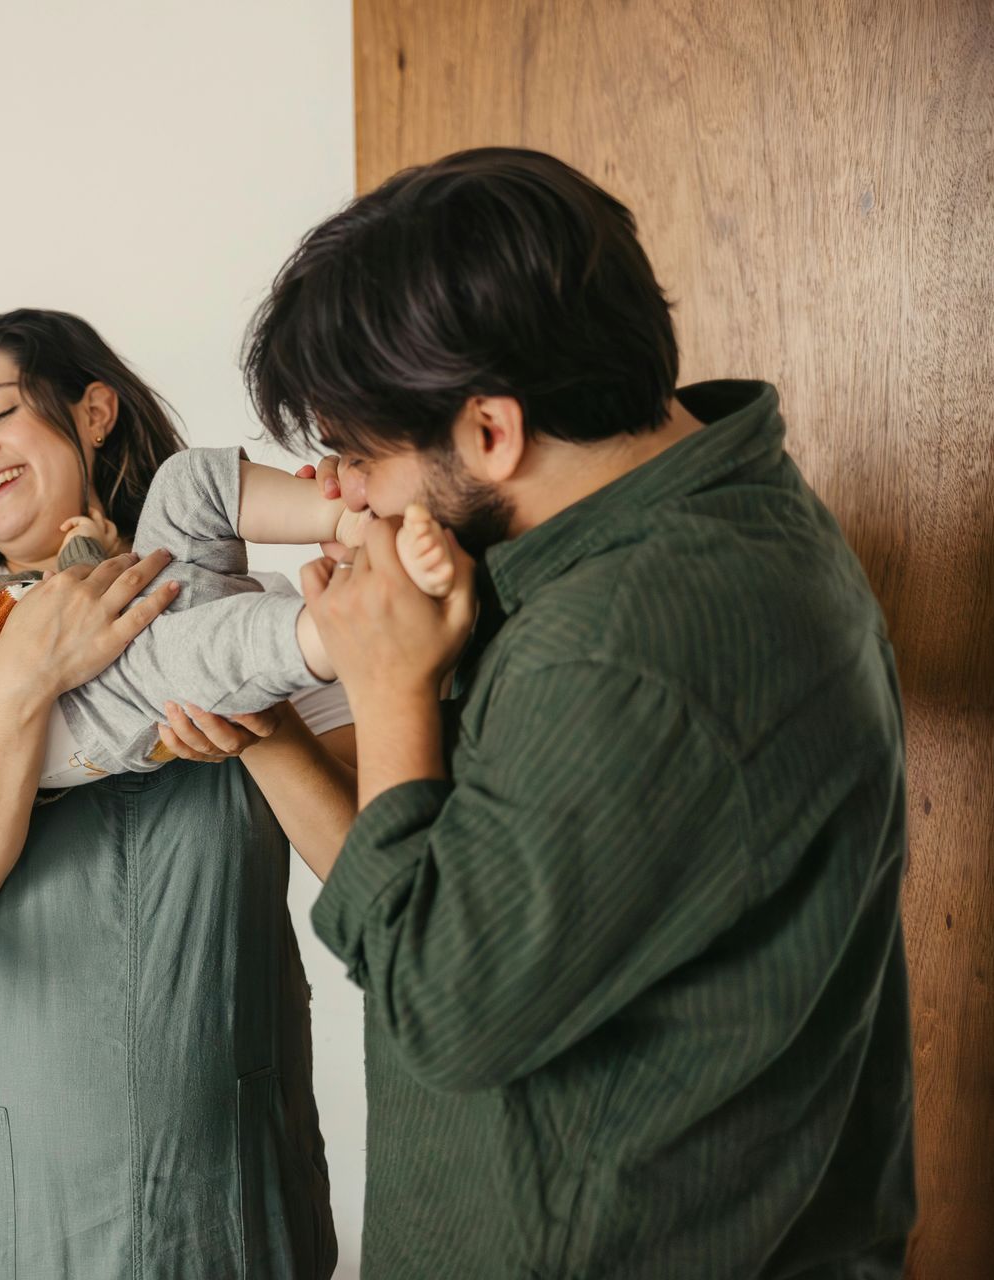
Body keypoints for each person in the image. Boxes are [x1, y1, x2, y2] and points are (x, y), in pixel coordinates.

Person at [246, 147, 916, 1275]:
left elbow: (443, 1004)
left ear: (492, 432)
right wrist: (269, 737)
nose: (344, 495)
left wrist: (393, 686)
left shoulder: (632, 641)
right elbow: (436, 890)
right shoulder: (648, 532)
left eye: (357, 454)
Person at [0, 309, 351, 1278]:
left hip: (217, 1191)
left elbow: (367, 866)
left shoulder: (244, 623)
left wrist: (264, 728)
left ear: (93, 411)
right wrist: (23, 676)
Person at [0, 447, 453, 1001]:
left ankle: (347, 518)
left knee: (184, 483)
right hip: (112, 699)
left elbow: (62, 589)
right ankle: (340, 629)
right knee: (197, 660)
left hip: (145, 589)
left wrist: (87, 545)